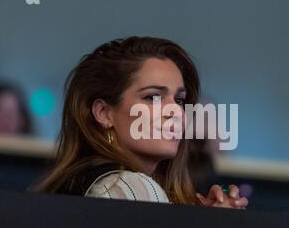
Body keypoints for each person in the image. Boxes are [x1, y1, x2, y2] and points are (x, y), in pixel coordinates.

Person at [35, 36, 248, 209]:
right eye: (153, 98)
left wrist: (203, 225)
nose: (175, 111)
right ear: (104, 113)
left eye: (180, 100)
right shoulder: (130, 186)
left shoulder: (84, 182)